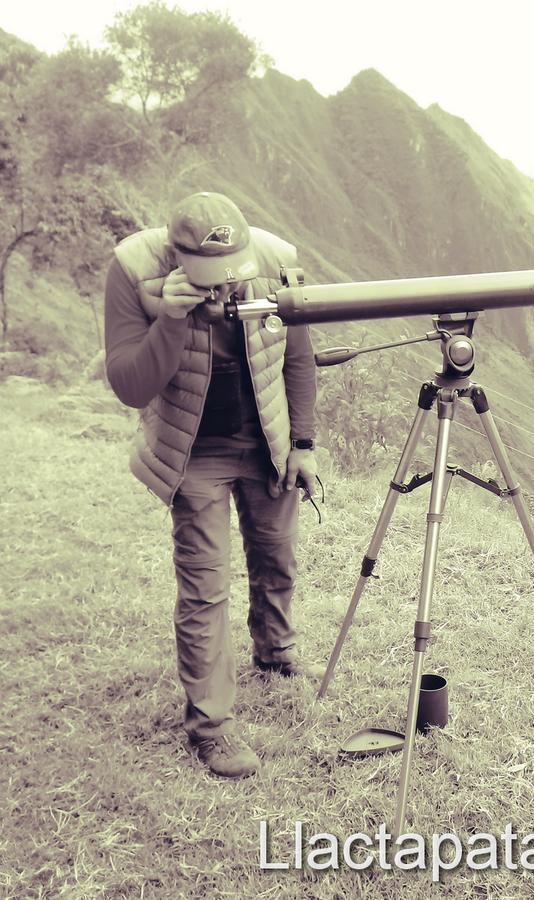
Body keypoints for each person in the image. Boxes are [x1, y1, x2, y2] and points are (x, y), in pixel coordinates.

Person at [104, 191, 319, 778]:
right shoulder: (133, 269)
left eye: (230, 276)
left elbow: (299, 356)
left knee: (277, 557)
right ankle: (212, 727)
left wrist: (302, 444)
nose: (222, 289)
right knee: (204, 586)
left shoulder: (277, 261)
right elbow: (127, 383)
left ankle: (275, 651)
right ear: (176, 259)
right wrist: (171, 318)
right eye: (208, 279)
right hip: (192, 447)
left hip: (266, 438)